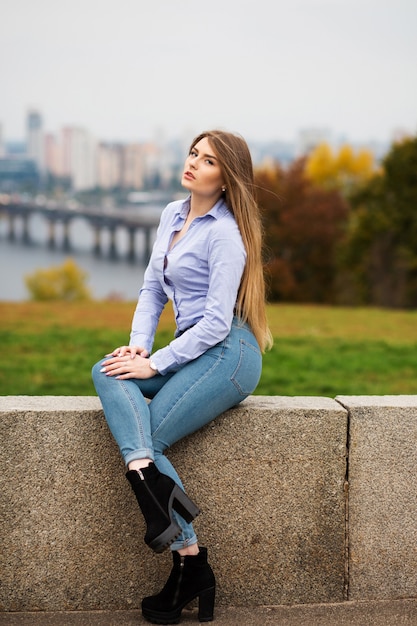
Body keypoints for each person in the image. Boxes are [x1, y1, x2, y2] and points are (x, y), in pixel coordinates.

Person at [92, 129, 272, 624]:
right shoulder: (173, 214)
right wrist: (139, 347)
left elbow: (215, 324)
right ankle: (168, 522)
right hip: (183, 349)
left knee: (153, 435)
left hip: (226, 352)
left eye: (209, 160)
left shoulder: (226, 234)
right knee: (106, 370)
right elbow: (152, 289)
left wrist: (156, 364)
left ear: (226, 177)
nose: (194, 163)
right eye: (194, 153)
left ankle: (188, 558)